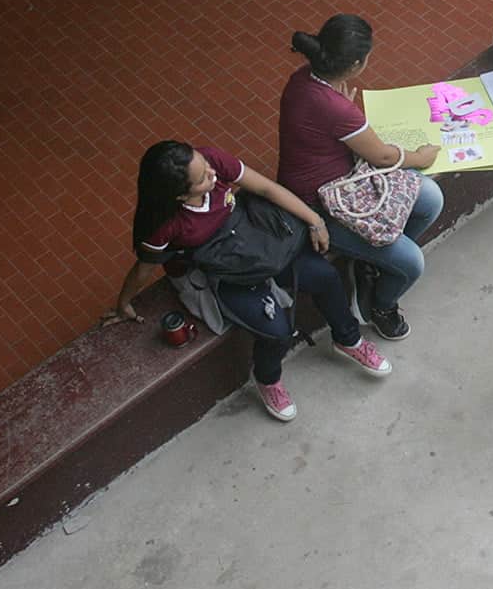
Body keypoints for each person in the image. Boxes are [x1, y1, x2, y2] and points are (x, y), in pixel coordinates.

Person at [106, 141, 390, 423]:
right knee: (277, 331)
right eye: (203, 177)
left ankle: (348, 339)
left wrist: (314, 221)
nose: (212, 172)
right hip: (226, 270)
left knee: (325, 277)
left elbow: (266, 188)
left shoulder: (211, 159)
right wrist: (124, 303)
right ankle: (267, 380)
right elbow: (144, 268)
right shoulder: (164, 225)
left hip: (258, 238)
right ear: (180, 196)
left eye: (204, 164)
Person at [278, 14, 443, 341]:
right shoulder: (337, 108)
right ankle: (380, 305)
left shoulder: (303, 80)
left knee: (431, 199)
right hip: (325, 205)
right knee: (412, 263)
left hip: (349, 180)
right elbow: (382, 156)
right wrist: (421, 157)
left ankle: (373, 261)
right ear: (355, 65)